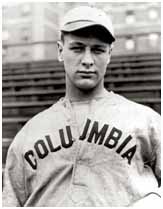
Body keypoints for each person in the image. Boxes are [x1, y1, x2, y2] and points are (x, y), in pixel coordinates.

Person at [3, 6, 161, 207]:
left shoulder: (145, 120)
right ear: (60, 51)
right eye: (77, 48)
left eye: (98, 50)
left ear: (110, 54)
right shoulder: (29, 133)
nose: (87, 60)